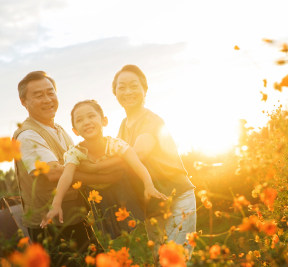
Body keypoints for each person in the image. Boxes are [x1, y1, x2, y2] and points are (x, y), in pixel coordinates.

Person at [13, 71, 122, 266]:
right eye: (39, 95)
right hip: (50, 227)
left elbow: (77, 162)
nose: (47, 99)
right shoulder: (27, 136)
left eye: (50, 92)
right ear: (24, 101)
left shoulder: (60, 130)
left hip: (73, 219)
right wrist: (104, 175)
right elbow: (53, 172)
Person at [40, 100, 167, 237]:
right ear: (75, 131)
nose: (87, 122)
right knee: (111, 235)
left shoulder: (116, 144)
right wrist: (56, 203)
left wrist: (149, 185)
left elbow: (137, 164)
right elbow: (66, 176)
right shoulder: (75, 152)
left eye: (91, 116)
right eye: (80, 120)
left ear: (104, 121)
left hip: (124, 191)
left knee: (136, 227)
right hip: (99, 198)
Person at [112, 64, 197, 259]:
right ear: (115, 93)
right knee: (159, 258)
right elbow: (116, 155)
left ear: (144, 89)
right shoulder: (123, 125)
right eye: (121, 87)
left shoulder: (151, 120)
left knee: (176, 259)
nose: (128, 91)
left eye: (134, 85)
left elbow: (137, 153)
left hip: (176, 197)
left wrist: (92, 169)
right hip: (154, 203)